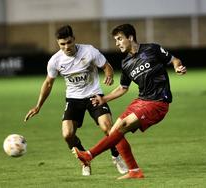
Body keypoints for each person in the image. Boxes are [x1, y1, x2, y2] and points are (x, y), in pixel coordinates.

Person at [72, 23, 187, 179]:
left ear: (130, 37)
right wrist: (103, 98)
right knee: (114, 130)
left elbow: (174, 59)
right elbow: (123, 88)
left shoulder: (152, 49)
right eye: (115, 40)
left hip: (158, 102)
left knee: (123, 126)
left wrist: (177, 67)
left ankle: (89, 155)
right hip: (141, 100)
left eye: (119, 39)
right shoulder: (125, 63)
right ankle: (134, 171)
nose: (117, 43)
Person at [24, 25, 128, 176]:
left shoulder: (89, 51)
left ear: (74, 39)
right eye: (62, 44)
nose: (66, 47)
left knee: (108, 128)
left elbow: (106, 66)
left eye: (68, 42)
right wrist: (38, 106)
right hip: (73, 99)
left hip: (94, 95)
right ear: (58, 44)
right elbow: (48, 83)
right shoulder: (55, 61)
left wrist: (109, 75)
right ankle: (84, 159)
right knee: (67, 134)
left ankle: (116, 156)